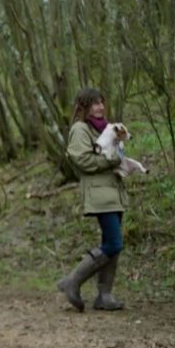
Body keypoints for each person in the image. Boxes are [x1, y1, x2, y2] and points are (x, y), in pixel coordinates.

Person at [57, 88, 132, 312]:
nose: (100, 107)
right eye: (94, 103)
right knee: (114, 243)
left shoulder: (107, 130)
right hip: (99, 193)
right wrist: (110, 160)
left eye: (101, 102)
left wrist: (122, 159)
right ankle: (73, 281)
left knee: (114, 245)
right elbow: (82, 160)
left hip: (113, 191)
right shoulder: (80, 129)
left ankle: (104, 296)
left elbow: (110, 156)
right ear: (83, 107)